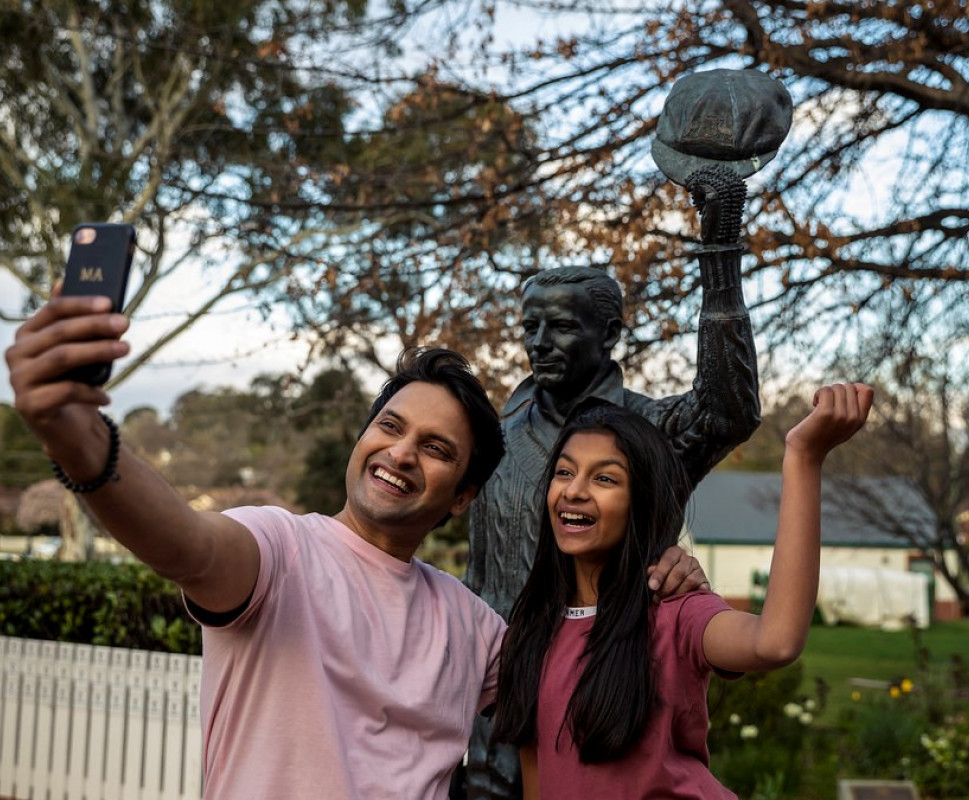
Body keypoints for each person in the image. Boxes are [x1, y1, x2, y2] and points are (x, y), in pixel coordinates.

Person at [5, 290, 707, 799]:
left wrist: (667, 579)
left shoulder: (473, 627)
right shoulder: (279, 552)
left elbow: (587, 672)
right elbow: (183, 542)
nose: (400, 454)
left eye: (435, 449)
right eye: (390, 427)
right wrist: (78, 439)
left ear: (463, 496)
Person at [464, 259, 760, 797]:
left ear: (610, 335)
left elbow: (728, 410)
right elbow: (473, 574)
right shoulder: (493, 440)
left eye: (562, 326)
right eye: (531, 327)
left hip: (609, 716)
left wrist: (719, 248)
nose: (540, 342)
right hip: (499, 719)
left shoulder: (653, 433)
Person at [491, 384, 873, 799]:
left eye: (604, 478)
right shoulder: (528, 633)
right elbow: (538, 781)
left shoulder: (674, 610)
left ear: (641, 503)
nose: (575, 490)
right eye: (564, 472)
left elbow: (775, 642)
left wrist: (804, 458)